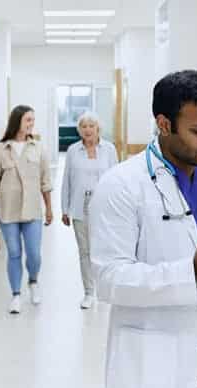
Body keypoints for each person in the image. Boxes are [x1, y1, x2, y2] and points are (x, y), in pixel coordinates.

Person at [89, 70, 197, 388]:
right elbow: (108, 279)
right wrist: (191, 272)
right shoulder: (122, 185)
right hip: (156, 369)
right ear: (164, 124)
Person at [0, 105, 53, 314]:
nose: (31, 124)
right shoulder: (0, 149)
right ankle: (15, 295)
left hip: (32, 210)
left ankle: (33, 281)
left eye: (33, 120)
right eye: (28, 120)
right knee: (14, 253)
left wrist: (49, 208)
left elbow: (45, 181)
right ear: (17, 121)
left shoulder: (39, 148)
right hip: (7, 210)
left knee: (34, 253)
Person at [60, 111, 118, 309]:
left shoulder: (109, 149)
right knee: (84, 252)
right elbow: (66, 180)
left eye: (91, 126)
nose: (87, 130)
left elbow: (116, 181)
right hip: (80, 206)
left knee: (103, 250)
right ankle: (88, 293)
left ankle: (104, 290)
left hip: (103, 207)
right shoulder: (72, 150)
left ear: (98, 128)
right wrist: (64, 209)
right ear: (80, 130)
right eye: (84, 126)